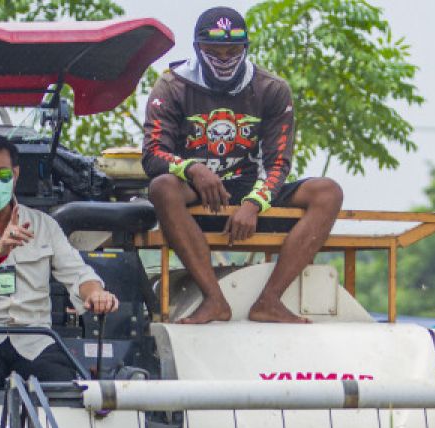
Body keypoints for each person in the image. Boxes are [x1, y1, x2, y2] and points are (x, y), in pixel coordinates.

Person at [141, 6, 344, 324]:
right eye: (214, 51)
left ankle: (270, 300)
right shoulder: (171, 86)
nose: (223, 59)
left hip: (250, 196)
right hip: (197, 200)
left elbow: (278, 161)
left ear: (245, 48)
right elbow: (153, 154)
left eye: (233, 50)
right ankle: (214, 299)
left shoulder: (271, 89)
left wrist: (255, 202)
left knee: (328, 192)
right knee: (162, 186)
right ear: (198, 49)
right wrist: (193, 169)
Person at [0, 133, 118, 385]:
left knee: (65, 390)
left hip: (35, 339)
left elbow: (77, 273)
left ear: (16, 175)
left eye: (3, 175)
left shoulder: (44, 225)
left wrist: (96, 293)